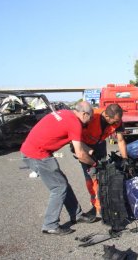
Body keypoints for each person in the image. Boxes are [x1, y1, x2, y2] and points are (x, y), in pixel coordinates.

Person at [21, 101, 98, 236]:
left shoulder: (66, 114)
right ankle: (50, 225)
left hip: (30, 150)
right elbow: (80, 154)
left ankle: (77, 215)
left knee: (62, 183)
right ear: (84, 114)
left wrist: (89, 150)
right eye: (91, 118)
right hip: (38, 154)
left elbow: (73, 140)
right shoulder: (75, 124)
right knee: (59, 187)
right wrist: (94, 164)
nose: (90, 121)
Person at [79, 103, 128, 217]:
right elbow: (75, 136)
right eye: (115, 121)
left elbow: (120, 141)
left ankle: (105, 200)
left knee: (103, 175)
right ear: (107, 116)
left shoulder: (117, 120)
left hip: (100, 145)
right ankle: (97, 207)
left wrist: (125, 158)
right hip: (85, 146)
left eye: (118, 120)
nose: (117, 123)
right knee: (91, 176)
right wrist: (84, 152)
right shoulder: (91, 117)